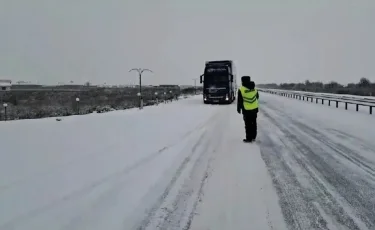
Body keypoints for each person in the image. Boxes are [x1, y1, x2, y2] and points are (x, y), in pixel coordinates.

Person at [237, 76, 259, 142]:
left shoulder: (241, 89)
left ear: (242, 81)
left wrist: (239, 108)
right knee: (254, 123)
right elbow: (257, 97)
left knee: (248, 124)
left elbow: (240, 100)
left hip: (246, 110)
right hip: (254, 109)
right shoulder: (254, 89)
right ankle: (253, 136)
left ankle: (249, 138)